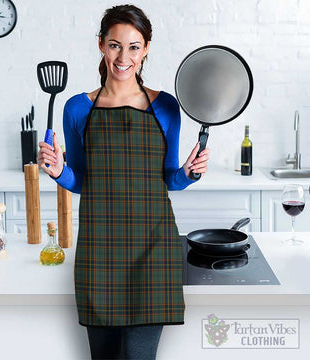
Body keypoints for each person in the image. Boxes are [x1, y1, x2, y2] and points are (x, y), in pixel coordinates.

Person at [38, 4, 210, 359]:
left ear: (146, 49)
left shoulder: (164, 106)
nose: (123, 56)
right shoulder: (77, 108)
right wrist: (58, 171)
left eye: (134, 46)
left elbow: (169, 179)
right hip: (100, 249)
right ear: (101, 45)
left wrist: (189, 173)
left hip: (154, 248)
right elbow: (83, 180)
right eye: (115, 45)